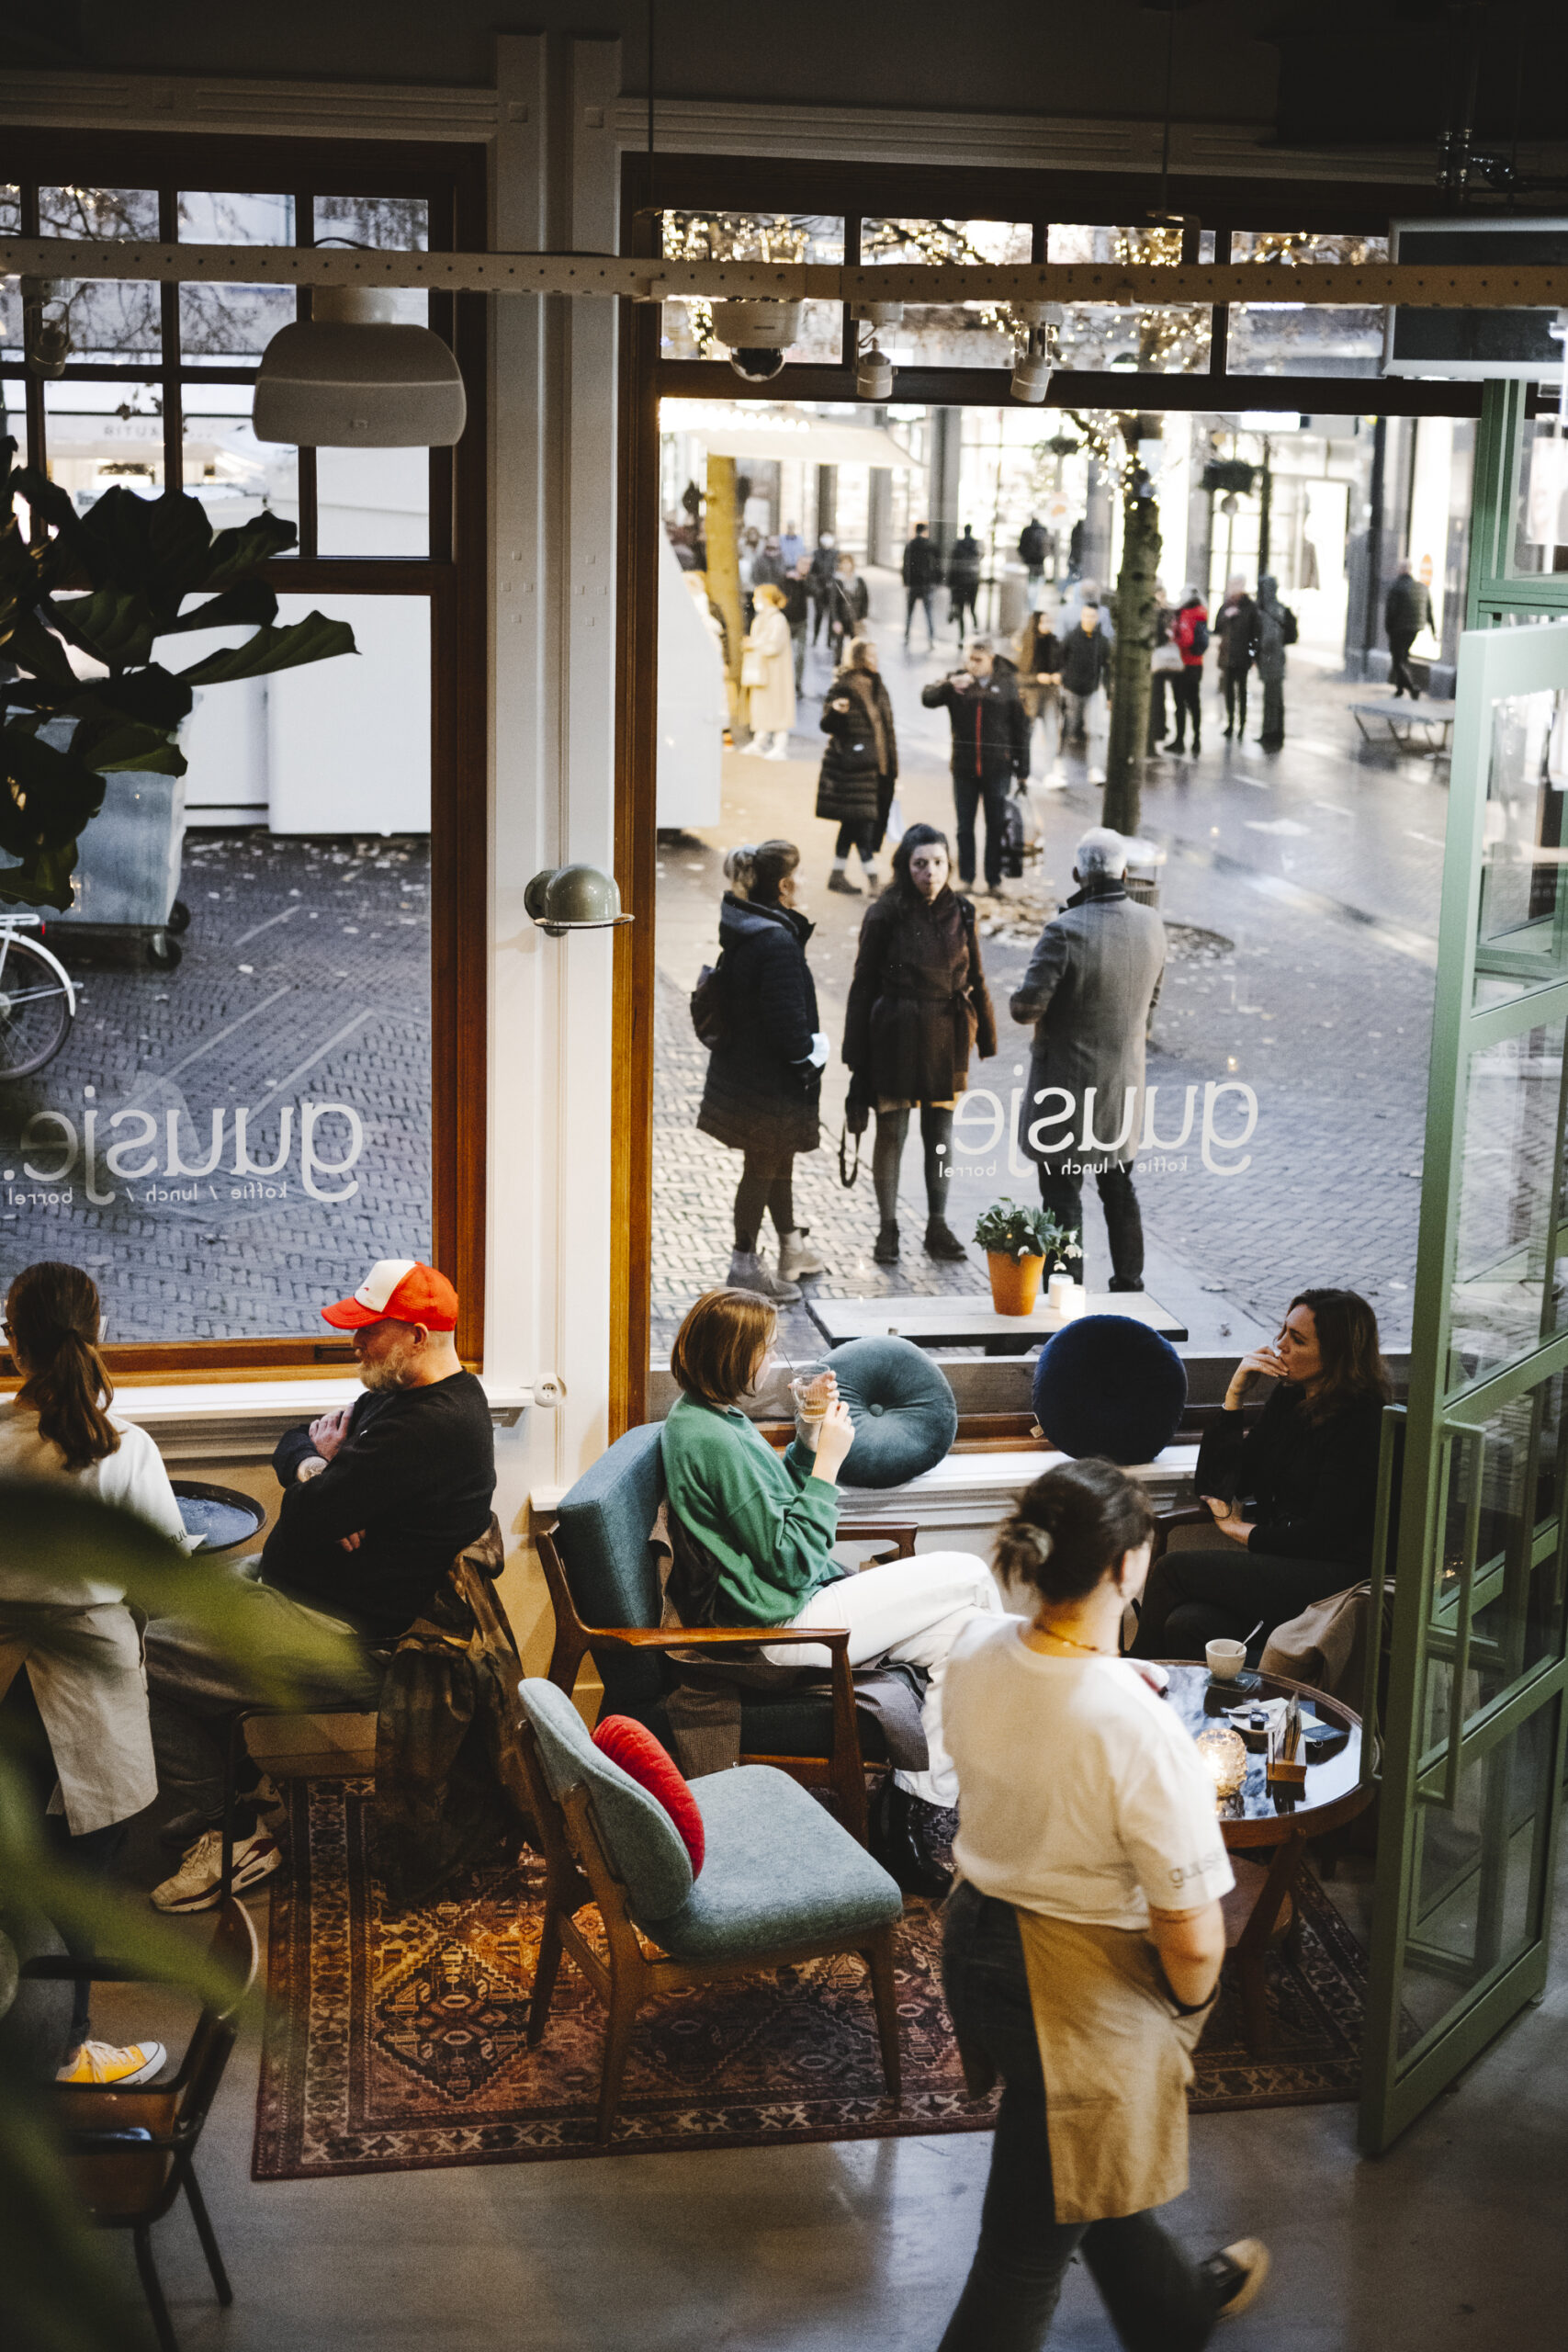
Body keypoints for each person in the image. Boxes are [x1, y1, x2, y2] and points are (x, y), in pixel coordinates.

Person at [937, 1459, 1269, 2349]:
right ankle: (1173, 2316)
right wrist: (1187, 2011)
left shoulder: (971, 1646)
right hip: (1072, 1992)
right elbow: (1192, 1937)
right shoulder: (1135, 1721)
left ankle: (1173, 2312)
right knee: (1020, 2256)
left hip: (973, 1940)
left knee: (1066, 2153)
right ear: (1127, 1565)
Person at [144, 1260, 496, 1913]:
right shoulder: (397, 1394)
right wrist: (314, 1464)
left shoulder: (424, 1426)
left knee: (149, 1654)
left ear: (417, 1335)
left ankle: (227, 1834)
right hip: (299, 1597)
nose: (354, 1343)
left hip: (352, 1640)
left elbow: (306, 1517)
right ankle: (239, 1794)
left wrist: (319, 1488)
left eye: (369, 1331)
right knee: (155, 1609)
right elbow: (293, 1444)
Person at [660, 1285, 1010, 1894]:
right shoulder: (708, 1438)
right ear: (732, 1356)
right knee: (974, 1577)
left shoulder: (714, 1417)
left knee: (960, 1633)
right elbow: (790, 1559)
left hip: (789, 1605)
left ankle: (909, 1812)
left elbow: (770, 1508)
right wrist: (830, 1463)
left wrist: (808, 1437)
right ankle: (996, 1771)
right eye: (764, 1350)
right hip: (783, 1624)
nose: (772, 1363)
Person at [0, 1261, 192, 2086]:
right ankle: (71, 2049)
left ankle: (25, 2036)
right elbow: (163, 1576)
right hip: (89, 1688)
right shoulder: (125, 1449)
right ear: (98, 1332)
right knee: (82, 1879)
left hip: (6, 1681)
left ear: (14, 1343)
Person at [1132, 1290, 1391, 1663]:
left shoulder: (1364, 1421)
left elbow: (1323, 1534)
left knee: (1174, 1569)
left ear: (1337, 1354)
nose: (1279, 1346)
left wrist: (1241, 1532)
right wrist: (1234, 1395)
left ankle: (1130, 1678)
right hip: (1287, 1563)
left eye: (1297, 1339)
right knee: (1187, 1625)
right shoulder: (1292, 1397)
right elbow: (1220, 1484)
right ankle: (1202, 1716)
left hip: (1337, 1577)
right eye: (1282, 1331)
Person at [1011, 828, 1165, 1294]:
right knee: (1119, 1191)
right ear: (1123, 872)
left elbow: (1026, 1008)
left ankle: (1066, 1297)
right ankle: (1130, 1288)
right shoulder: (1152, 924)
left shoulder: (1065, 931)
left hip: (1065, 1089)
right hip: (1122, 1089)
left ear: (1079, 873)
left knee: (1061, 1198)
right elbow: (1151, 1006)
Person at [843, 820, 998, 1265]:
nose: (930, 872)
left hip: (948, 1034)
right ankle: (887, 1228)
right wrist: (856, 1059)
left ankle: (938, 1224)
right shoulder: (884, 913)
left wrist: (985, 1036)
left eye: (938, 863)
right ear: (904, 866)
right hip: (895, 1034)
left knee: (941, 1135)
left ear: (949, 865)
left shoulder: (963, 911)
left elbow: (978, 977)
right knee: (892, 1131)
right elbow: (862, 985)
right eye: (920, 864)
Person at [696, 839, 828, 1303]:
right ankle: (745, 1265)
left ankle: (791, 1249)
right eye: (801, 876)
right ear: (785, 885)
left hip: (747, 1077)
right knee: (763, 1167)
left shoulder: (749, 928)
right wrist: (813, 1054)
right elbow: (788, 1027)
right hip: (768, 1085)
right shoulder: (776, 942)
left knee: (776, 1162)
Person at [921, 637, 1030, 897]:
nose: (972, 664)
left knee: (995, 825)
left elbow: (1021, 729)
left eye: (978, 660)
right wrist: (949, 686)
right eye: (969, 658)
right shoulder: (958, 681)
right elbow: (927, 697)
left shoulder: (1006, 684)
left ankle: (994, 880)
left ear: (990, 659)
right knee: (964, 826)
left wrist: (1023, 770)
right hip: (964, 767)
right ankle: (967, 878)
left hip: (997, 768)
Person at [818, 637, 897, 897]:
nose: (875, 661)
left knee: (852, 825)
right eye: (870, 656)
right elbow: (828, 724)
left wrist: (891, 766)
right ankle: (874, 881)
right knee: (863, 826)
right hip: (854, 771)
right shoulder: (844, 685)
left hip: (876, 770)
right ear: (858, 658)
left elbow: (886, 729)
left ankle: (836, 875)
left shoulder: (877, 685)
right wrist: (835, 711)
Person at [741, 579, 795, 759]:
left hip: (775, 673)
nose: (755, 601)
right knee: (762, 707)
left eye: (758, 597)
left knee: (778, 707)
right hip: (762, 672)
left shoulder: (778, 619)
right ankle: (760, 741)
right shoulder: (762, 619)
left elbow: (773, 646)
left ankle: (780, 745)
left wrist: (753, 644)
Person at [1014, 605, 1063, 775]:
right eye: (1043, 621)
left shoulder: (1055, 642)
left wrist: (1058, 676)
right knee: (1027, 734)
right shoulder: (1026, 644)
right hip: (1031, 696)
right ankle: (1022, 770)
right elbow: (1018, 676)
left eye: (1049, 621)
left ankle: (1050, 770)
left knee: (1051, 731)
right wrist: (1037, 678)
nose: (1047, 625)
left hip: (1050, 694)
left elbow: (1062, 666)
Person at [1056, 599, 1111, 749]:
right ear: (1081, 616)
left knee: (1087, 725)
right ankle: (1063, 753)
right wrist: (1062, 677)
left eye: (1092, 616)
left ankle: (1080, 757)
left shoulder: (1102, 641)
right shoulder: (1071, 637)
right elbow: (1060, 658)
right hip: (1071, 687)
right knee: (1070, 721)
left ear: (1097, 618)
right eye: (1086, 616)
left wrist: (1109, 695)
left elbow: (1107, 667)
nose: (1088, 619)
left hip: (1091, 689)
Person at [1213, 576, 1257, 742]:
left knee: (1242, 691)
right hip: (1227, 656)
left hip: (1243, 657)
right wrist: (1227, 617)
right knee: (1229, 691)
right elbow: (1217, 627)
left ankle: (1242, 724)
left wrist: (1252, 656)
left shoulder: (1250, 608)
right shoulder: (1226, 605)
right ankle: (1231, 723)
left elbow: (1255, 633)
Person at [1384, 558, 1434, 700]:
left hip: (1398, 629)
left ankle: (1412, 688)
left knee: (1398, 660)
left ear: (1401, 569)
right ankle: (1400, 689)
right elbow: (1429, 610)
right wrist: (1433, 630)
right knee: (1403, 657)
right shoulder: (1420, 587)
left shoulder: (1396, 586)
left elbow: (1391, 611)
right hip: (1414, 629)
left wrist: (1389, 628)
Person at [1254, 574, 1292, 751]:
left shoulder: (1267, 610)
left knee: (1271, 698)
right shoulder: (1278, 608)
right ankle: (1276, 731)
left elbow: (1268, 638)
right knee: (1276, 697)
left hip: (1271, 660)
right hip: (1278, 658)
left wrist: (1258, 652)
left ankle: (1270, 733)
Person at [1168, 587, 1209, 757]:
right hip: (1197, 664)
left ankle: (1180, 740)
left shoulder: (1186, 614)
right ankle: (1196, 739)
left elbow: (1186, 640)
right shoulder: (1202, 612)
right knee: (1194, 703)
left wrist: (1173, 638)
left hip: (1183, 664)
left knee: (1180, 704)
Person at [824, 548, 870, 666]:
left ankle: (854, 669)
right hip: (841, 618)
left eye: (848, 562)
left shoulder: (859, 581)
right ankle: (838, 670)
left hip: (856, 618)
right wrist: (835, 621)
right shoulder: (837, 582)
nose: (846, 566)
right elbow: (833, 603)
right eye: (843, 563)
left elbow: (865, 599)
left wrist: (863, 616)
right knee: (839, 648)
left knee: (856, 647)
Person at [902, 520, 942, 648]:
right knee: (929, 613)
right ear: (925, 531)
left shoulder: (910, 545)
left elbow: (905, 565)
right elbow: (936, 565)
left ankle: (907, 636)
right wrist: (936, 581)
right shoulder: (929, 545)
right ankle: (931, 639)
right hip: (926, 584)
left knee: (910, 612)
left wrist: (906, 582)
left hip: (914, 584)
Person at [948, 524, 983, 640]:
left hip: (961, 583)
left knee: (961, 611)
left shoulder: (959, 545)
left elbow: (953, 566)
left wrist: (950, 583)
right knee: (973, 608)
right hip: (973, 581)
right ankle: (975, 627)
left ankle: (962, 636)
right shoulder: (975, 545)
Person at [784, 554, 813, 692]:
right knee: (784, 654)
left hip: (801, 622)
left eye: (808, 565)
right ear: (797, 564)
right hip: (787, 622)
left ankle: (798, 684)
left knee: (800, 654)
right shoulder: (787, 578)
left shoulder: (808, 580)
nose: (805, 567)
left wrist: (803, 580)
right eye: (803, 564)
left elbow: (816, 592)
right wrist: (789, 578)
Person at [808, 530, 838, 645]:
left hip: (831, 589)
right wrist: (816, 587)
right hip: (819, 589)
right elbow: (812, 573)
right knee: (819, 614)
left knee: (831, 614)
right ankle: (815, 638)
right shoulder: (816, 554)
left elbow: (837, 571)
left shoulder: (836, 553)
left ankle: (830, 640)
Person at [1017, 514, 1049, 588]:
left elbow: (1021, 546)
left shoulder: (1026, 530)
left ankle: (1032, 596)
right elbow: (1047, 546)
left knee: (1031, 581)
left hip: (1030, 561)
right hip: (1040, 561)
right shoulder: (1044, 530)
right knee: (1038, 580)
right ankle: (1034, 596)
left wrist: (1024, 556)